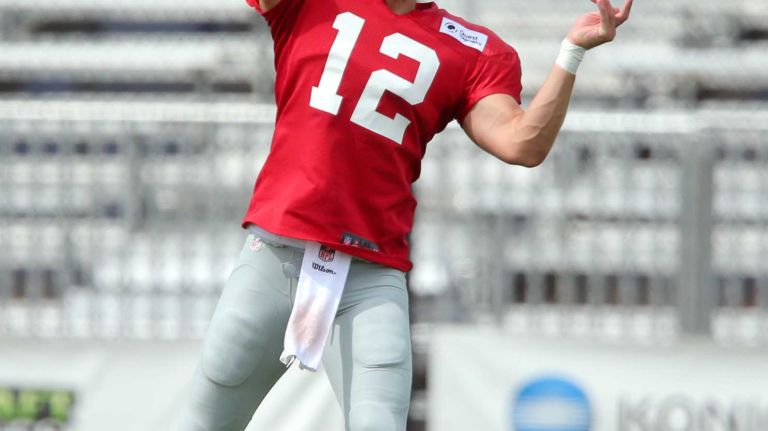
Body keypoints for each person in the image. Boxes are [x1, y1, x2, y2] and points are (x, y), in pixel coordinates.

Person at [177, 0, 632, 429]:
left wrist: (572, 52)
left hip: (370, 275)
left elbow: (523, 142)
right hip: (275, 255)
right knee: (206, 421)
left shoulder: (471, 49)